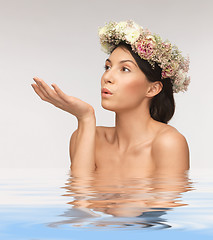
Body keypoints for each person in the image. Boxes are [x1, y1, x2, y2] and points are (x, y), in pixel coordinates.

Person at [31, 20, 190, 177]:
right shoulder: (87, 137)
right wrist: (85, 118)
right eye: (107, 67)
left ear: (152, 88)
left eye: (125, 69)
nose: (107, 76)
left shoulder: (168, 143)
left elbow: (165, 204)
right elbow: (80, 199)